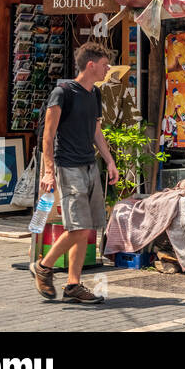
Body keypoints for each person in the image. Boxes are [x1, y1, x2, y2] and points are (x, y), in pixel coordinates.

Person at [30, 42, 119, 304]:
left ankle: (73, 285)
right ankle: (44, 267)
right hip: (67, 167)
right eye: (105, 65)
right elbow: (48, 136)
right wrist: (48, 172)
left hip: (89, 165)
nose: (108, 69)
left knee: (87, 228)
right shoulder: (63, 92)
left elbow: (95, 131)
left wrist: (110, 161)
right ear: (90, 65)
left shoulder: (95, 95)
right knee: (78, 227)